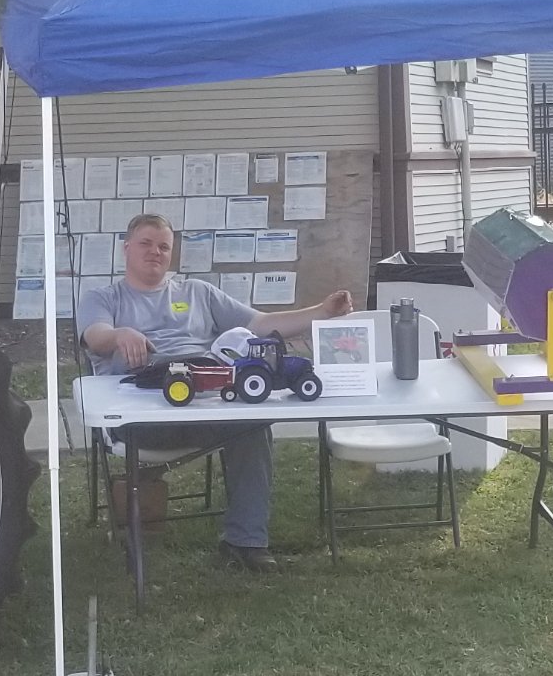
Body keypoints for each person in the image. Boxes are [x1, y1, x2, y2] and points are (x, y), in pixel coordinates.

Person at [78, 213, 352, 570]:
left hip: (206, 404)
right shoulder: (103, 298)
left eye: (164, 246)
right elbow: (96, 336)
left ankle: (246, 542)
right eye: (145, 243)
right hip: (140, 416)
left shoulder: (198, 292)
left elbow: (261, 324)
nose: (155, 252)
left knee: (252, 426)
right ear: (126, 249)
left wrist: (321, 311)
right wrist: (120, 335)